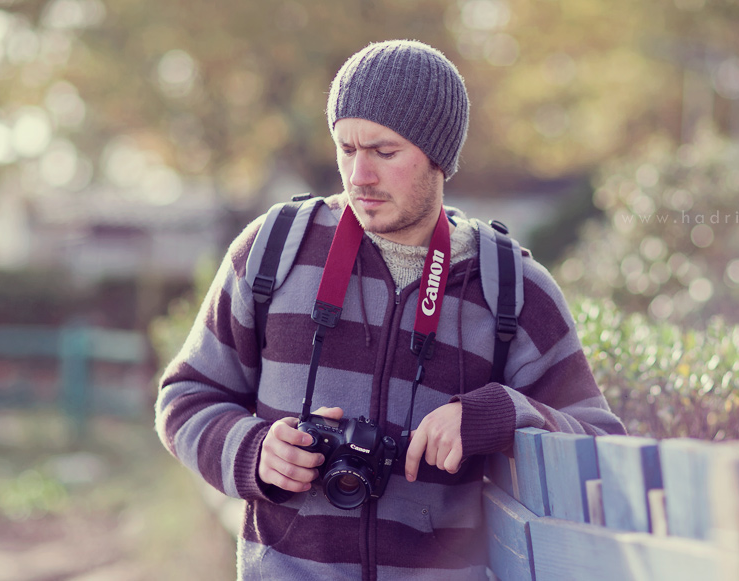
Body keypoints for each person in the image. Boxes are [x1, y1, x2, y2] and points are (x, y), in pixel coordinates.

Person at [155, 39, 625, 580]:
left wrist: (499, 415)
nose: (359, 176)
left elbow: (601, 447)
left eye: (384, 152)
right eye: (347, 149)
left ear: (439, 157)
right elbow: (185, 398)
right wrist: (252, 451)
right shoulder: (273, 251)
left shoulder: (512, 289)